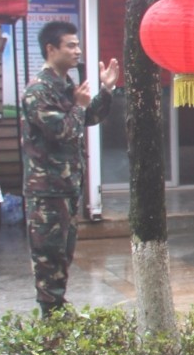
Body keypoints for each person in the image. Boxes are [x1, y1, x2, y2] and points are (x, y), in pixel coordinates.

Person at [22, 20, 120, 314]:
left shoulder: (65, 85)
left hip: (67, 185)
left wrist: (106, 90)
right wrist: (78, 106)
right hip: (47, 188)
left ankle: (58, 309)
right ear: (51, 49)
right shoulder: (39, 90)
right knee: (48, 254)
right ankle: (50, 314)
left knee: (63, 252)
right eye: (71, 45)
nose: (77, 51)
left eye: (78, 45)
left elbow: (88, 118)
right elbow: (60, 130)